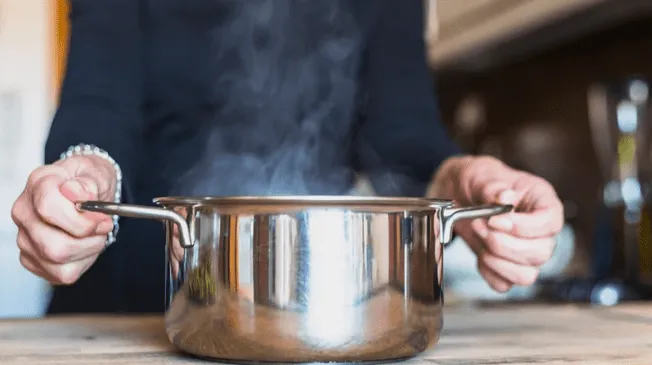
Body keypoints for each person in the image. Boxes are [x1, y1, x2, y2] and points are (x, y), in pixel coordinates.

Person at [11, 0, 563, 314]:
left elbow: (404, 137)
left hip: (308, 312)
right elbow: (98, 106)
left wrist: (465, 179)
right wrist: (84, 176)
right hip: (122, 311)